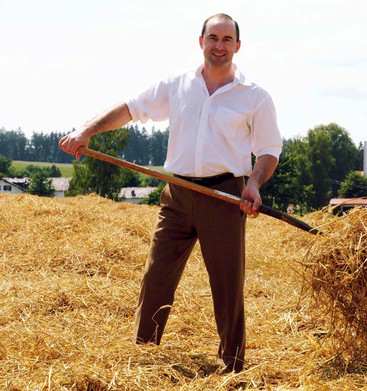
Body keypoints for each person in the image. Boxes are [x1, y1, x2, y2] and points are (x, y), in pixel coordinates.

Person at [59, 13, 282, 373]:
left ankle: (233, 366)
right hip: (177, 193)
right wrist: (87, 130)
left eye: (227, 39)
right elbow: (131, 108)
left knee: (227, 285)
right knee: (156, 276)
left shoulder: (254, 97)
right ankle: (144, 357)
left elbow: (269, 149)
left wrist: (253, 184)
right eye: (213, 38)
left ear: (237, 46)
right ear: (201, 42)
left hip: (225, 196)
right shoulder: (177, 85)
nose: (219, 45)